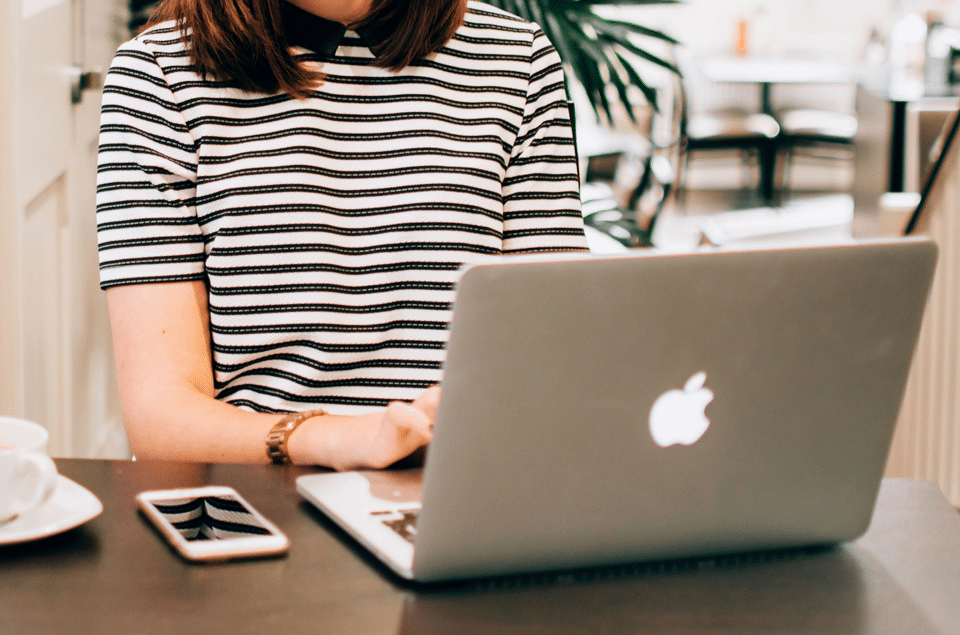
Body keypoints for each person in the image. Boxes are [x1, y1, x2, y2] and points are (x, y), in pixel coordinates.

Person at [96, 0, 588, 469]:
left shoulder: (517, 57)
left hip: (469, 503)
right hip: (265, 517)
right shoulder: (158, 74)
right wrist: (334, 438)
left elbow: (557, 348)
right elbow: (160, 416)